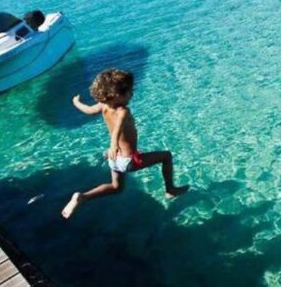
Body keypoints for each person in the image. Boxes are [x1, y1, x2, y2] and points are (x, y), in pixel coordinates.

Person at [61, 69, 188, 219]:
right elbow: (117, 129)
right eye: (129, 91)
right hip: (128, 160)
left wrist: (76, 102)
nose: (132, 94)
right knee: (166, 156)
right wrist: (113, 144)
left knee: (116, 187)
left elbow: (88, 110)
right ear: (116, 94)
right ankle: (170, 189)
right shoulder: (123, 111)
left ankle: (82, 197)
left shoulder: (103, 105)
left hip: (113, 159)